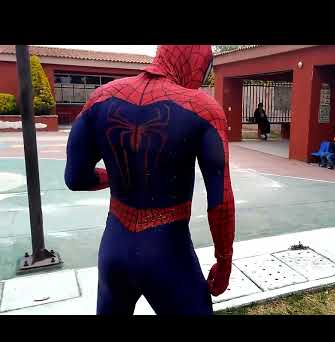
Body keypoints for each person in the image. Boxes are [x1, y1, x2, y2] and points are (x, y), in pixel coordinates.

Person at [64, 45, 235, 315]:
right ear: (196, 62)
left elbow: (75, 178)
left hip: (114, 247)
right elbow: (220, 203)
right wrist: (224, 261)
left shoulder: (100, 99)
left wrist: (116, 177)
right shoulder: (203, 109)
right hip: (168, 252)